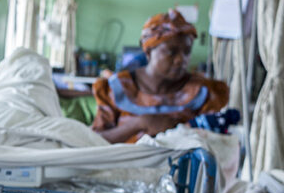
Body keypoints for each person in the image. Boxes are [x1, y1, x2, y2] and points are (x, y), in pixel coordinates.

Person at [91, 9, 229, 143]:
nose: (181, 60)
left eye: (187, 52)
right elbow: (93, 141)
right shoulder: (116, 88)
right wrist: (139, 124)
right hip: (122, 166)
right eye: (172, 52)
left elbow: (214, 142)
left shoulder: (202, 91)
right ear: (149, 52)